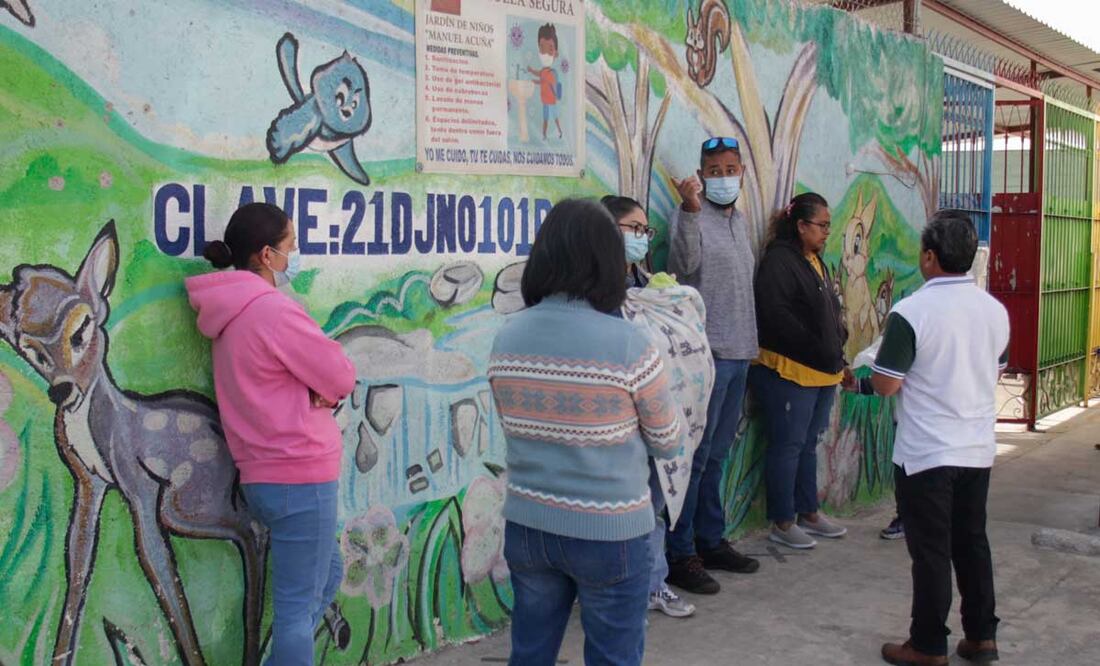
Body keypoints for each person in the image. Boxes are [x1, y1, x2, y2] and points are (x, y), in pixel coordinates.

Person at [488, 198, 683, 666]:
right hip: (611, 530)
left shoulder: (506, 337)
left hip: (529, 524)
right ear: (606, 260)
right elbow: (669, 440)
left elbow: (516, 425)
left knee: (530, 653)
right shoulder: (630, 343)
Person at [186, 203, 356, 666]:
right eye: (291, 247)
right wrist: (320, 389)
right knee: (297, 615)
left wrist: (309, 387)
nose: (295, 256)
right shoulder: (273, 309)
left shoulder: (227, 311)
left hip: (263, 478)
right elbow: (340, 375)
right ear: (266, 255)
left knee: (327, 575)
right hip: (301, 475)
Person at [873, 211, 1009, 666]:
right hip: (976, 449)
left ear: (928, 257)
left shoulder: (911, 312)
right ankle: (981, 638)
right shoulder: (994, 311)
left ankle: (928, 644)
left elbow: (887, 383)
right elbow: (997, 371)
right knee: (972, 542)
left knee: (930, 551)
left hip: (927, 452)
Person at [665, 137, 761, 595]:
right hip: (708, 358)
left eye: (730, 169)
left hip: (741, 353)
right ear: (701, 175)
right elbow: (681, 268)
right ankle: (681, 554)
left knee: (718, 456)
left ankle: (710, 540)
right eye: (714, 170)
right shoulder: (692, 218)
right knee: (696, 459)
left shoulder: (740, 221)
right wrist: (687, 210)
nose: (724, 177)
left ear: (742, 171)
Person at [602, 195, 697, 620]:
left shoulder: (646, 284)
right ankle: (622, 589)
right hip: (619, 421)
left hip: (658, 411)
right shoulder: (596, 292)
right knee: (624, 511)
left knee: (655, 503)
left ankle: (653, 584)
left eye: (645, 231)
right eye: (634, 230)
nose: (642, 238)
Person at [750, 192, 850, 550]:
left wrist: (839, 356)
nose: (826, 232)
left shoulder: (814, 260)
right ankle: (782, 520)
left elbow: (828, 315)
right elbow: (776, 317)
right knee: (788, 445)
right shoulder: (779, 261)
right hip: (790, 372)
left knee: (809, 443)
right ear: (801, 225)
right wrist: (816, 347)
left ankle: (809, 512)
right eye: (821, 225)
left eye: (828, 226)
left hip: (823, 372)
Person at [527, 23, 563, 141]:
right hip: (545, 102)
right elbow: (540, 77)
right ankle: (544, 135)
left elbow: (544, 81)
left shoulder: (552, 73)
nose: (545, 53)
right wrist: (532, 72)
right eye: (542, 48)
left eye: (550, 49)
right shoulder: (543, 71)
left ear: (555, 53)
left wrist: (536, 80)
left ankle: (559, 131)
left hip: (551, 101)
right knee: (546, 119)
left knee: (555, 118)